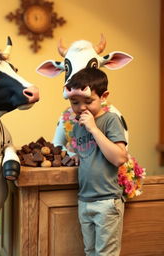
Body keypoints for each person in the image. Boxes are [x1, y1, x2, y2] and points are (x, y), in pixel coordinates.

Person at [64, 67, 128, 256]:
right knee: (90, 251)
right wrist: (73, 154)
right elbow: (85, 153)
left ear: (103, 96)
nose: (81, 107)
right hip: (84, 200)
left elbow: (119, 158)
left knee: (105, 253)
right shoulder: (77, 127)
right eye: (75, 102)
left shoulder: (110, 120)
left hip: (106, 201)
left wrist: (93, 129)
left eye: (88, 101)